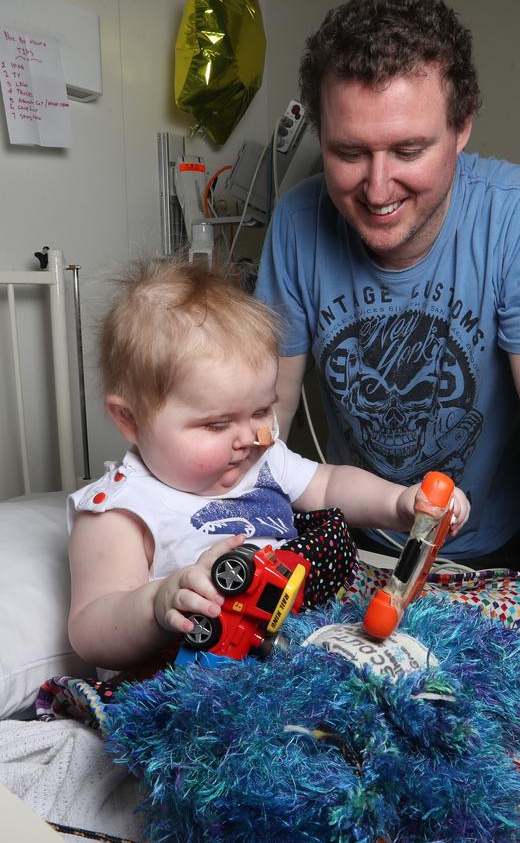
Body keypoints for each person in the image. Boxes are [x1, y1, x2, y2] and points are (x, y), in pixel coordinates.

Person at [254, 0, 520, 699]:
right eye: (349, 152)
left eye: (408, 149)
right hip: (349, 549)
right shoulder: (294, 220)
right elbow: (262, 424)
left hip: (484, 560)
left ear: (462, 126)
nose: (377, 188)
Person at [67, 257, 469, 672]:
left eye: (261, 411)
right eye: (217, 424)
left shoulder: (262, 458)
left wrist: (400, 503)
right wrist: (156, 603)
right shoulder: (120, 510)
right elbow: (90, 632)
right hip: (199, 681)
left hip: (291, 647)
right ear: (129, 419)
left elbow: (329, 486)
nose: (251, 437)